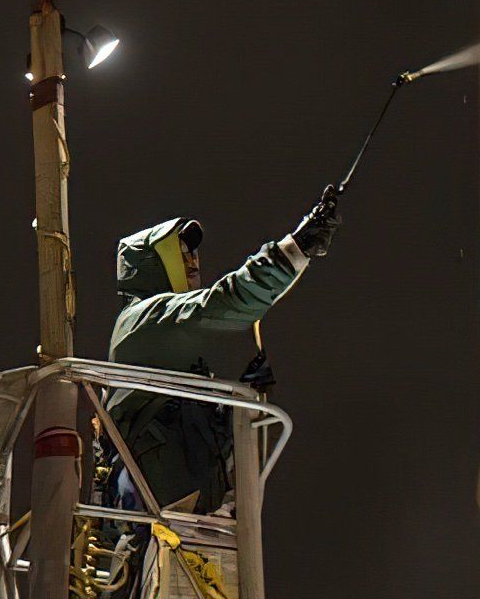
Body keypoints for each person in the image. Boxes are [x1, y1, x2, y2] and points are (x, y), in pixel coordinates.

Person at [105, 185, 341, 516]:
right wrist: (296, 248)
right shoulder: (143, 320)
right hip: (161, 512)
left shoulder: (170, 350)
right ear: (152, 262)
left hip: (182, 513)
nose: (193, 262)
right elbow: (224, 302)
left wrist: (245, 401)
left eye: (193, 253)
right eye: (180, 252)